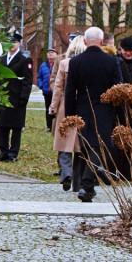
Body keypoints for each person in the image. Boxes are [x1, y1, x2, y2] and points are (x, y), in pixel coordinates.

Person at [64, 27, 124, 201]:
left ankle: (87, 186)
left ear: (84, 41)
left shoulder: (75, 62)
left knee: (87, 147)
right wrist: (120, 114)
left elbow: (70, 91)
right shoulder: (112, 62)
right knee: (97, 147)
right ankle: (87, 185)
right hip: (104, 110)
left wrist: (70, 115)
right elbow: (118, 90)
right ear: (101, 42)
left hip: (82, 109)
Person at [48, 36, 86, 191]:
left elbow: (57, 88)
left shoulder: (64, 63)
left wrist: (53, 107)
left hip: (65, 105)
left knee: (64, 143)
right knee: (79, 146)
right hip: (82, 106)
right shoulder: (86, 65)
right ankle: (77, 181)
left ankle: (66, 174)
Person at [0, 32, 33, 161]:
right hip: (3, 97)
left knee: (16, 127)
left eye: (14, 42)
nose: (11, 45)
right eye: (9, 42)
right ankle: (3, 151)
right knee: (2, 126)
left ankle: (12, 153)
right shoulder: (2, 59)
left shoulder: (24, 59)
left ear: (19, 44)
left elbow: (27, 81)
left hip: (17, 98)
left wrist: (24, 98)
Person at [37, 48, 57, 132]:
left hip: (56, 91)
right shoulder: (43, 65)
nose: (50, 54)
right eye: (49, 53)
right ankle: (49, 126)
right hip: (46, 91)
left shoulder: (58, 64)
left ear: (56, 54)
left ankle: (55, 126)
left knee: (55, 109)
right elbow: (39, 77)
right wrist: (41, 85)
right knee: (47, 109)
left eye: (52, 53)